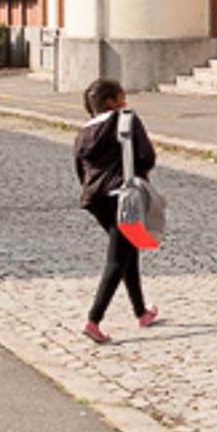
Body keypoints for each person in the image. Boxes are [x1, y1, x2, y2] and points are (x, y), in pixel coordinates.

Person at [73, 78, 161, 343]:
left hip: (96, 199)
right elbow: (146, 156)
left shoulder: (84, 131)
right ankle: (93, 320)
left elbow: (80, 169)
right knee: (116, 259)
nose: (126, 100)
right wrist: (138, 176)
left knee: (128, 252)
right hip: (123, 195)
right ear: (111, 101)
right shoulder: (126, 119)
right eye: (122, 96)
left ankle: (141, 312)